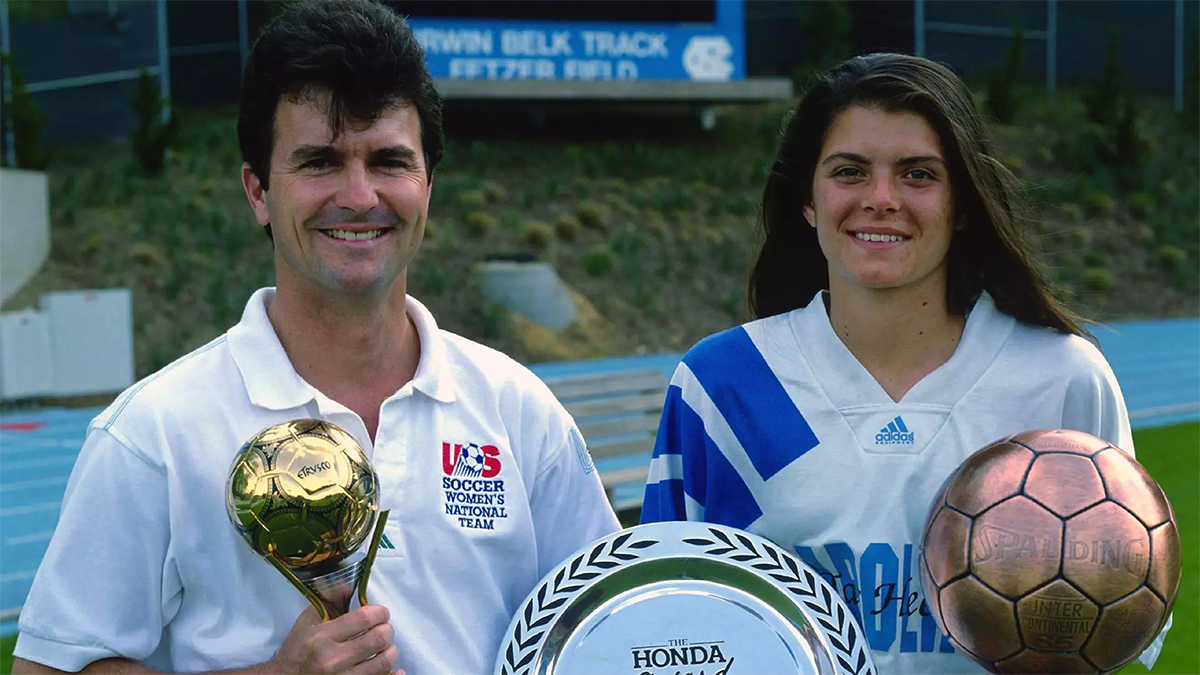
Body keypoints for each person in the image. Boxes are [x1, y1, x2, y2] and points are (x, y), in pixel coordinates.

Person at [13, 1, 619, 673]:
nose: (360, 196)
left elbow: (609, 634)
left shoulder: (520, 413)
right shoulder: (155, 434)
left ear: (428, 187)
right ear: (258, 192)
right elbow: (49, 668)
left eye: (390, 161)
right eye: (320, 162)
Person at [640, 53, 1169, 673]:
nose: (882, 199)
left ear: (964, 203)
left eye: (918, 174)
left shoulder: (1060, 380)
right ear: (806, 199)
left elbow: (1120, 624)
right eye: (849, 172)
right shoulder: (723, 387)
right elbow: (661, 623)